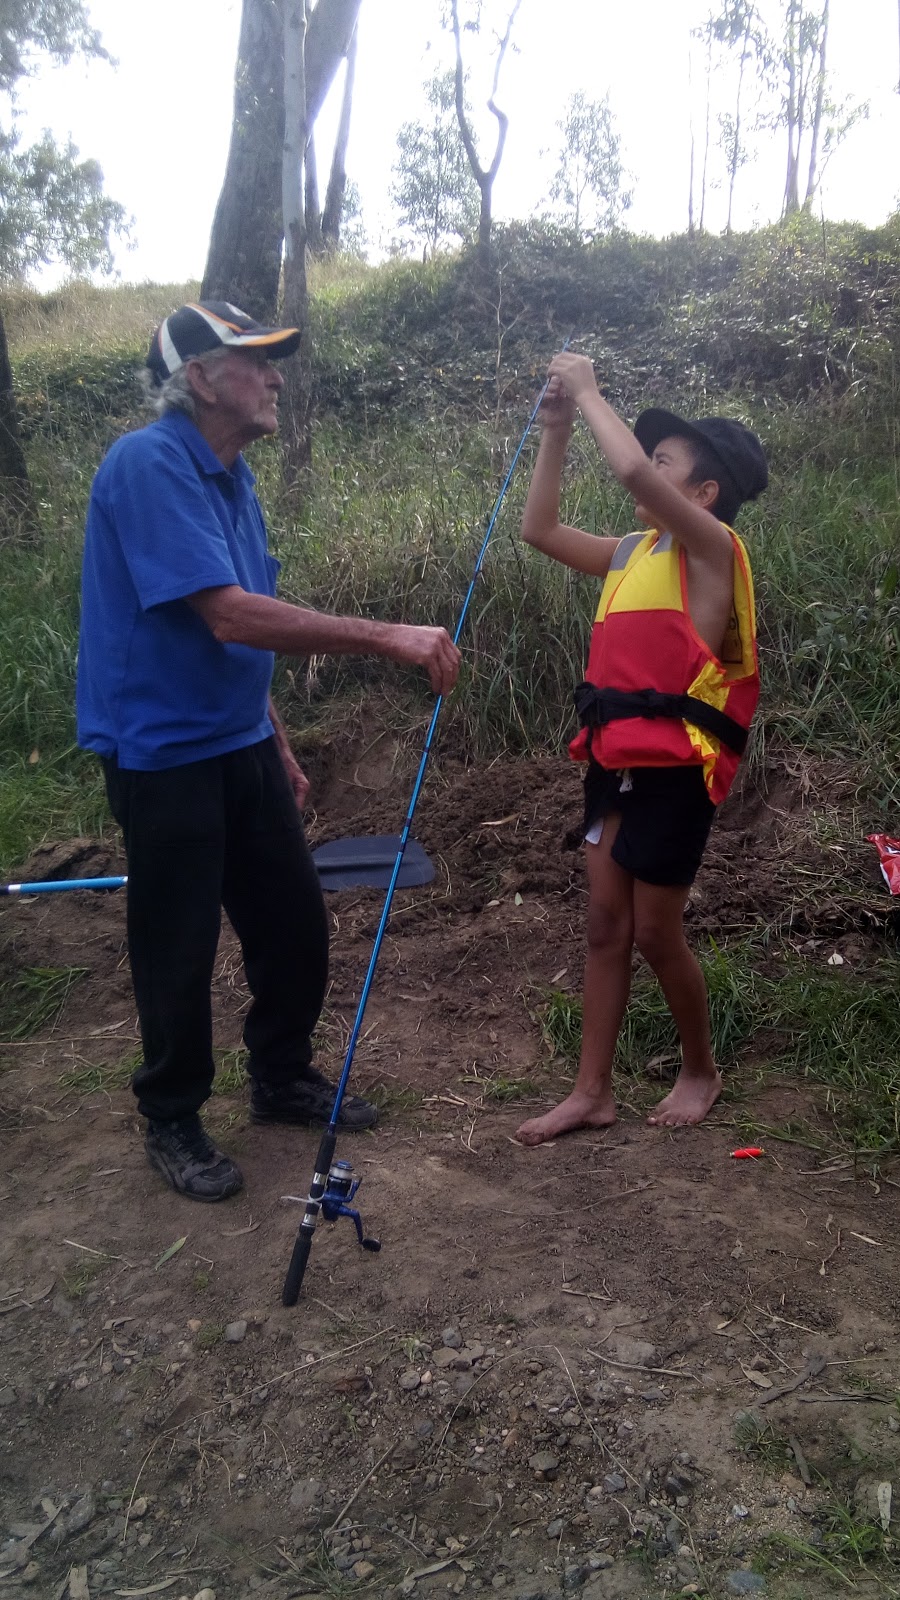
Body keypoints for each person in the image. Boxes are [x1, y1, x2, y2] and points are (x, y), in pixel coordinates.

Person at [77, 301, 461, 1201]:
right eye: (257, 362)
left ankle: (281, 1077)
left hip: (238, 742)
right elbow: (227, 612)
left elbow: (241, 633)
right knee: (175, 942)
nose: (277, 376)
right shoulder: (150, 465)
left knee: (293, 923)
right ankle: (171, 1116)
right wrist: (389, 636)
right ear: (202, 378)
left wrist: (275, 736)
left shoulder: (232, 476)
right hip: (161, 752)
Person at [514, 351, 767, 1146]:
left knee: (657, 932)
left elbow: (630, 473)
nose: (649, 468)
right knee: (602, 924)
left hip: (678, 771)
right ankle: (591, 1092)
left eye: (668, 462)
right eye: (653, 457)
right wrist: (556, 429)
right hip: (616, 760)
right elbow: (540, 528)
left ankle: (701, 1068)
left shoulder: (712, 549)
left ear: (703, 493)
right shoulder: (632, 552)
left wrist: (589, 391)